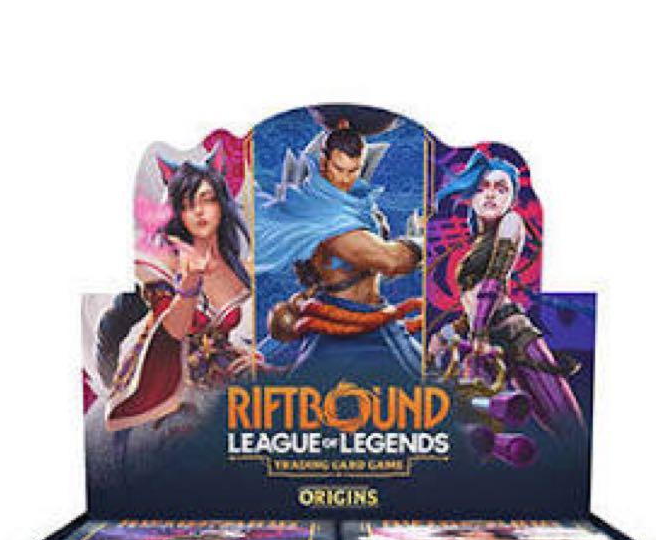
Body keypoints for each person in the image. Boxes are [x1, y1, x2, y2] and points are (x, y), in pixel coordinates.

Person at [255, 109, 424, 381]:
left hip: (371, 318)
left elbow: (379, 265)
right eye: (339, 169)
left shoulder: (355, 203)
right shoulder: (322, 213)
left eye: (353, 171)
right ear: (324, 162)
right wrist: (423, 243)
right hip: (344, 325)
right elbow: (392, 260)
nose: (345, 179)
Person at [430, 151, 585, 437]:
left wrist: (477, 334)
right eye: (482, 188)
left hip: (515, 338)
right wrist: (448, 333)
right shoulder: (478, 243)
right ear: (471, 196)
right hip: (489, 343)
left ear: (512, 198)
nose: (491, 195)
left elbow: (495, 281)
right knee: (488, 427)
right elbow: (474, 302)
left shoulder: (511, 221)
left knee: (565, 424)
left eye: (501, 189)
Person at [99, 159, 255, 432]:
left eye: (207, 199)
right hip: (164, 377)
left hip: (221, 372)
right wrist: (190, 283)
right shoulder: (163, 262)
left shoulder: (237, 268)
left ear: (221, 204)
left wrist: (254, 356)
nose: (198, 211)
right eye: (187, 204)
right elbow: (173, 332)